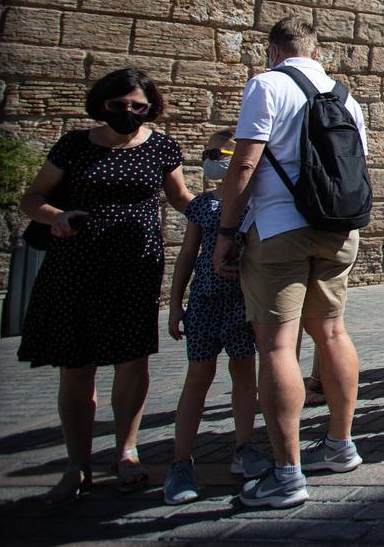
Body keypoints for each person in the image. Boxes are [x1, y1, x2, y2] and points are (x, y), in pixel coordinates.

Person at [18, 68, 193, 506]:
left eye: (138, 107)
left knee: (131, 360)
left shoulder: (160, 146)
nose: (129, 113)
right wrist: (55, 216)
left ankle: (126, 451)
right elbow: (33, 198)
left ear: (150, 107)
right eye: (120, 106)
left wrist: (222, 213)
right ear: (103, 104)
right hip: (75, 264)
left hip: (134, 266)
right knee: (77, 366)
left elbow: (180, 197)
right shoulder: (75, 146)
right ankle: (77, 463)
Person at [213, 17, 369, 508]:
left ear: (273, 50)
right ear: (316, 50)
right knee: (333, 332)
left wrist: (225, 232)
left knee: (278, 344)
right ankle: (341, 446)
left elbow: (243, 163)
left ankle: (286, 475)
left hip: (280, 227)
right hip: (338, 228)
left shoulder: (267, 84)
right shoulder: (345, 95)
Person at [164, 129, 265, 505]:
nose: (211, 158)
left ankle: (243, 446)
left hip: (242, 303)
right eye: (207, 152)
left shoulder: (254, 206)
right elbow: (187, 255)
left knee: (243, 375)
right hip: (205, 302)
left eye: (217, 152)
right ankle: (180, 461)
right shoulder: (203, 206)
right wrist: (176, 302)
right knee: (198, 378)